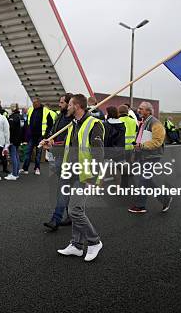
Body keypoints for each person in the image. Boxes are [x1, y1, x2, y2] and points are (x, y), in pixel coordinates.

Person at [41, 93, 104, 262]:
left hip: (85, 174)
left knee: (74, 210)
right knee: (77, 210)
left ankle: (94, 241)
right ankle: (76, 245)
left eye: (69, 105)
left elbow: (99, 154)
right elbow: (69, 149)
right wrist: (50, 148)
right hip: (71, 171)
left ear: (76, 106)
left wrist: (96, 177)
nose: (66, 107)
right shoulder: (73, 125)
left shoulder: (94, 124)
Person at [128, 101, 173, 214]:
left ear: (148, 111)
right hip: (143, 154)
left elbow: (157, 141)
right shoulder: (144, 122)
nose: (138, 110)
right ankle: (165, 198)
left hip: (151, 156)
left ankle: (140, 206)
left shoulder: (155, 123)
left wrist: (142, 145)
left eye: (141, 108)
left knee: (144, 180)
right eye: (139, 108)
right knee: (147, 180)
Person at [43, 93, 74, 232]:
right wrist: (48, 139)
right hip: (57, 156)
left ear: (69, 104)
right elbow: (54, 131)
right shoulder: (60, 116)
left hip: (69, 158)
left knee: (64, 188)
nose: (59, 104)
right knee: (66, 189)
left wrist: (54, 145)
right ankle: (72, 216)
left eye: (62, 102)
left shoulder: (75, 120)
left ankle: (56, 219)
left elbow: (70, 141)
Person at [22, 97, 55, 175]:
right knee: (28, 152)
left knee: (38, 153)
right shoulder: (30, 110)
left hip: (41, 136)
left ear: (39, 103)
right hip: (32, 136)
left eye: (35, 103)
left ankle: (37, 168)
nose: (33, 104)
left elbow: (50, 124)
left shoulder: (46, 111)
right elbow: (27, 123)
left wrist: (46, 135)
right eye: (33, 103)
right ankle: (25, 168)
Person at [118, 104, 137, 187]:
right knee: (129, 161)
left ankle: (124, 185)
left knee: (121, 165)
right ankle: (130, 173)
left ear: (119, 112)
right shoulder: (132, 120)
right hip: (131, 146)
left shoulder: (118, 120)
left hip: (121, 147)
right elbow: (136, 132)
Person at [7, 103, 24, 180]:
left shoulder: (12, 117)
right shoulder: (21, 117)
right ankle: (16, 172)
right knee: (16, 155)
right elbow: (23, 128)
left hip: (13, 139)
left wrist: (9, 140)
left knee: (13, 155)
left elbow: (10, 129)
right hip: (19, 139)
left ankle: (14, 174)